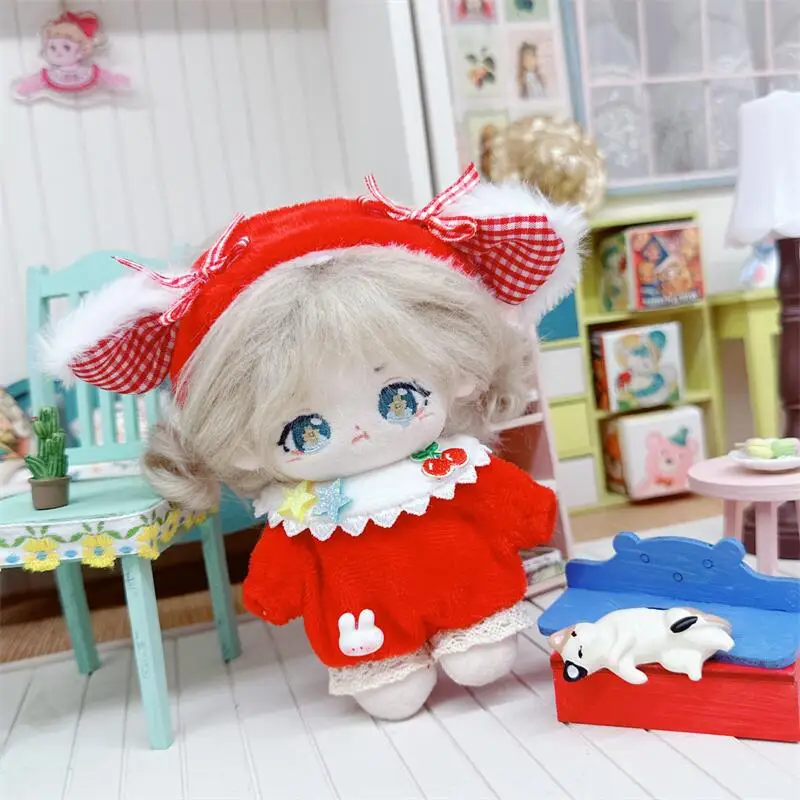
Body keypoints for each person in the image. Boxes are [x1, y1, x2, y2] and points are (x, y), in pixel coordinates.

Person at [43, 165, 585, 721]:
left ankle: (469, 631)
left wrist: (531, 515)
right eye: (307, 429)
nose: (359, 433)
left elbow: (515, 506)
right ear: (243, 442)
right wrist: (273, 593)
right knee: (390, 685)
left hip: (471, 594)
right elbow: (280, 577)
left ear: (457, 372)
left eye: (398, 397)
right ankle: (392, 664)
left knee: (480, 655)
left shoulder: (451, 470)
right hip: (366, 630)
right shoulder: (308, 512)